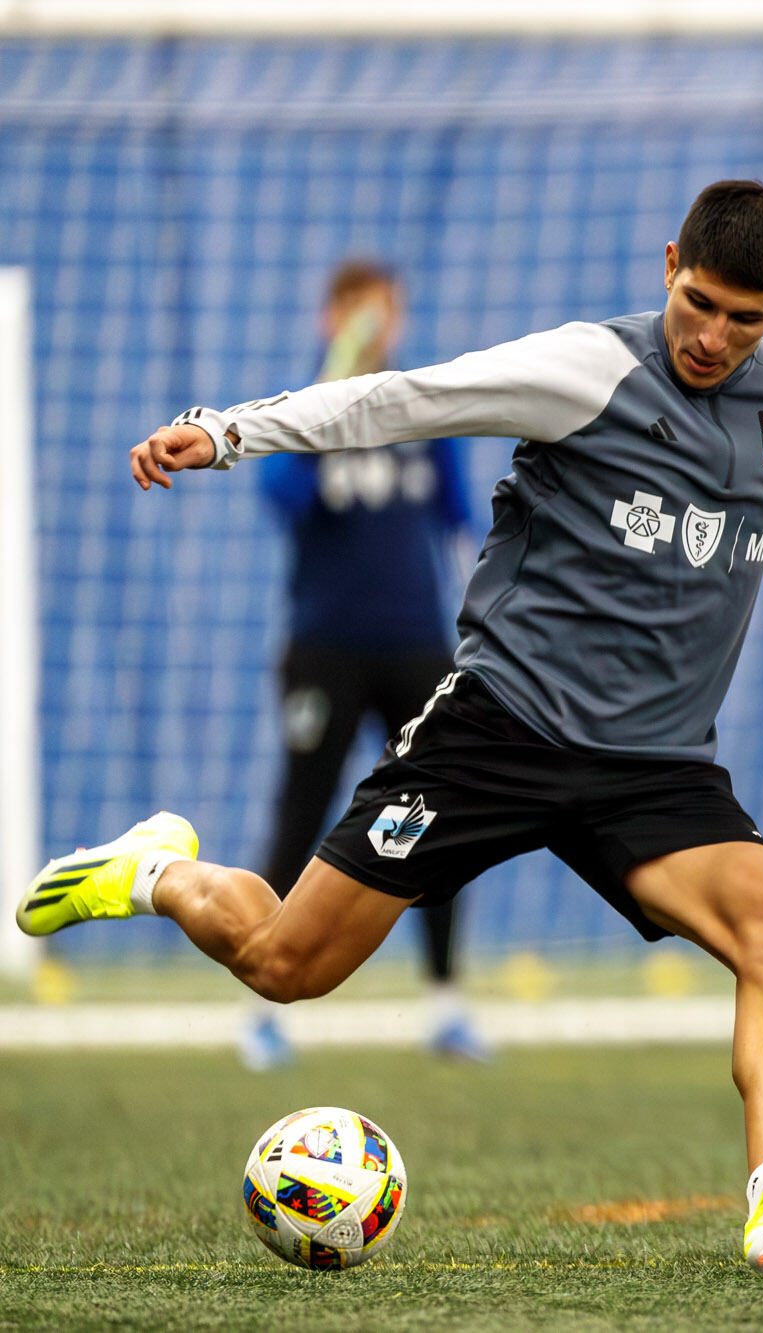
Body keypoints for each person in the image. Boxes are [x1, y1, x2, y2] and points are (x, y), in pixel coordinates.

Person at [17, 180, 763, 1274]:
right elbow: (399, 400)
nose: (710, 336)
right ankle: (152, 871)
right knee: (284, 962)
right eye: (696, 302)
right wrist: (229, 431)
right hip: (500, 728)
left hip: (654, 766)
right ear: (668, 264)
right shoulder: (584, 369)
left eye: (742, 318)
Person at [243, 259, 487, 1071]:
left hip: (416, 642)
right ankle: (264, 1009)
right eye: (355, 313)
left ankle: (447, 1003)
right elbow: (279, 498)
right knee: (303, 807)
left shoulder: (422, 409)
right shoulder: (303, 405)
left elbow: (457, 515)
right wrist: (329, 385)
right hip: (324, 646)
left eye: (382, 312)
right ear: (330, 319)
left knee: (437, 813)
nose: (372, 325)